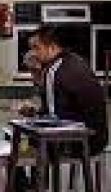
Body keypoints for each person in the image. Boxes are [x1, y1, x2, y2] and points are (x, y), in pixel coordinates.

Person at [21, 25, 108, 156]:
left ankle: (36, 170)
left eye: (36, 48)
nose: (33, 54)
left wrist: (34, 114)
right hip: (98, 140)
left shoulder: (54, 70)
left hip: (79, 142)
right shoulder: (76, 60)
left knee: (26, 141)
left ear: (52, 47)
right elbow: (64, 109)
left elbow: (53, 120)